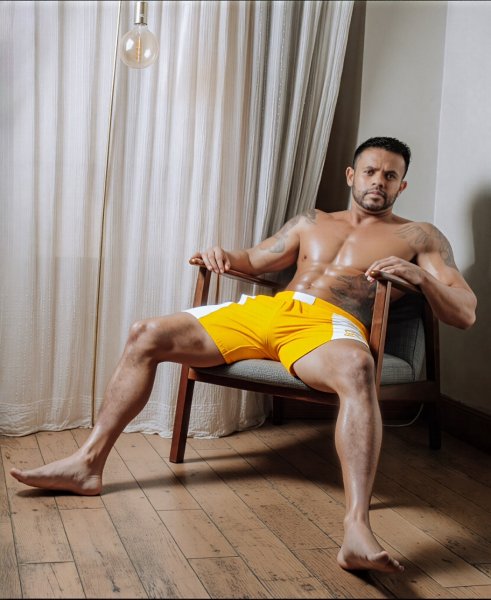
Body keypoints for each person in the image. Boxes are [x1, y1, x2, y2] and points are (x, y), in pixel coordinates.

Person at [10, 136, 476, 574]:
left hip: (327, 327)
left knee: (357, 367)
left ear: (402, 185)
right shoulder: (311, 221)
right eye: (371, 171)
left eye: (390, 176)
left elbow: (465, 312)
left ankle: (356, 526)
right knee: (145, 333)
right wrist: (223, 255)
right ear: (351, 175)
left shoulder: (419, 237)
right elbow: (255, 260)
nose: (379, 182)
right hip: (264, 312)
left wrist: (422, 278)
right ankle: (88, 464)